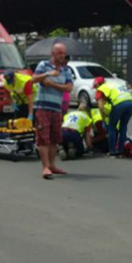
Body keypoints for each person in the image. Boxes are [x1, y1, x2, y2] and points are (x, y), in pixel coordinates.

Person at [34, 43, 74, 179]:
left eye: (63, 53)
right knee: (43, 138)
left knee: (54, 138)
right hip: (43, 107)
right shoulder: (43, 65)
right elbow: (33, 79)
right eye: (59, 53)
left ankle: (52, 165)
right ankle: (45, 167)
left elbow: (69, 88)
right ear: (53, 53)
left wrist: (52, 84)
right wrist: (48, 74)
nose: (62, 55)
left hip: (57, 107)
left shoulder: (66, 70)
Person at [94, 76, 132, 157]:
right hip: (131, 103)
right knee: (123, 127)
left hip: (119, 104)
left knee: (111, 127)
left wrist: (103, 117)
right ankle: (120, 151)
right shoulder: (112, 85)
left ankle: (112, 151)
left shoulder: (101, 89)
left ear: (98, 84)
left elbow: (101, 107)